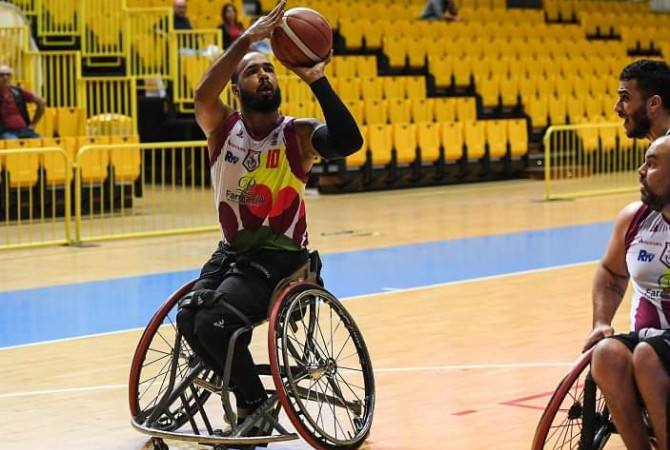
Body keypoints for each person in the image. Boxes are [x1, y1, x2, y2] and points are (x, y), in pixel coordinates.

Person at [176, 0, 362, 428]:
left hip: (280, 259)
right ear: (237, 89)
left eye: (269, 69)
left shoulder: (296, 134)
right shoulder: (222, 128)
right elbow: (203, 94)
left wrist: (316, 77)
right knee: (189, 316)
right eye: (252, 71)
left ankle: (254, 406)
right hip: (233, 253)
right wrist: (246, 40)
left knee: (215, 323)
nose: (263, 74)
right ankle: (246, 393)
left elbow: (348, 141)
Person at [585, 59, 670, 450]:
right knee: (617, 354)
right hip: (652, 333)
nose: (618, 108)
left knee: (649, 359)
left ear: (653, 104)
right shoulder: (640, 214)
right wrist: (602, 320)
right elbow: (611, 270)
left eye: (625, 98)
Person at [0, 65, 45, 140]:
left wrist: (33, 124)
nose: (5, 78)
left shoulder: (18, 91)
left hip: (24, 130)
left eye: (8, 75)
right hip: (4, 132)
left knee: (43, 141)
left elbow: (41, 102)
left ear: (11, 77)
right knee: (13, 142)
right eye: (1, 75)